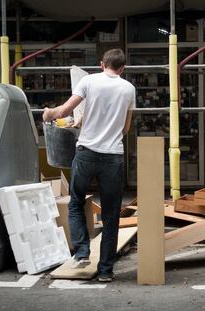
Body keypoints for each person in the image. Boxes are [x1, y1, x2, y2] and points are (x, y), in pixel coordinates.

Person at [42, 49, 135, 282]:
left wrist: (47, 114)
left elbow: (63, 111)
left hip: (86, 155)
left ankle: (82, 252)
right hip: (113, 157)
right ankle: (105, 272)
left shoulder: (89, 81)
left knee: (75, 202)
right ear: (122, 68)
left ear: (102, 64)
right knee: (111, 216)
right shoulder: (128, 89)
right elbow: (125, 129)